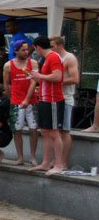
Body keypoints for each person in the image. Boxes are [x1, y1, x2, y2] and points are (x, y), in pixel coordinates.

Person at [29, 36, 66, 176]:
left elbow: (57, 77)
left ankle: (58, 164)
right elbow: (48, 79)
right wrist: (38, 77)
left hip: (54, 100)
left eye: (35, 49)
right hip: (45, 99)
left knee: (54, 132)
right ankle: (45, 162)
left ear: (38, 47)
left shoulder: (53, 57)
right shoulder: (46, 59)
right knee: (45, 131)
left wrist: (40, 76)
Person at [2, 40, 39, 166]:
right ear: (16, 51)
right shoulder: (8, 65)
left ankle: (33, 157)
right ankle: (20, 157)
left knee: (33, 128)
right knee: (17, 129)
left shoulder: (33, 63)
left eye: (27, 49)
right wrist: (12, 97)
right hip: (16, 100)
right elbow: (6, 84)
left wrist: (27, 99)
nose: (26, 52)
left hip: (31, 100)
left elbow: (34, 81)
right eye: (23, 50)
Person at [51, 36, 79, 162]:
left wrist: (57, 81)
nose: (50, 49)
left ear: (60, 45)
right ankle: (56, 160)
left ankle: (63, 162)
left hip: (65, 99)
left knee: (64, 131)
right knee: (54, 131)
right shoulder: (53, 58)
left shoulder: (69, 58)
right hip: (54, 98)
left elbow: (75, 79)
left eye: (52, 46)